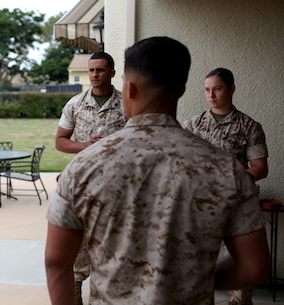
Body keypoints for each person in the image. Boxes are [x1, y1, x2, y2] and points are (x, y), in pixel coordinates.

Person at [45, 36, 271, 305]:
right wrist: (188, 279)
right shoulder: (227, 170)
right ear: (182, 89)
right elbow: (254, 267)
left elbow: (56, 263)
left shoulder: (83, 168)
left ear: (128, 89)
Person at [184, 67, 269, 305]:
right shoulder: (192, 125)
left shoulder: (250, 126)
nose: (211, 95)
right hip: (200, 205)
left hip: (237, 205)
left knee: (238, 269)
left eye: (217, 89)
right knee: (199, 268)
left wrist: (234, 178)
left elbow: (260, 168)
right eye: (207, 90)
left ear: (231, 89)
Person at [55, 51, 127, 305]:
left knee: (114, 247)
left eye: (101, 70)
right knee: (79, 246)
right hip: (82, 188)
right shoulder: (75, 104)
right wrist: (86, 146)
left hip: (116, 190)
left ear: (112, 73)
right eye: (92, 70)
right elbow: (60, 142)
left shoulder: (128, 104)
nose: (95, 75)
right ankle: (76, 296)